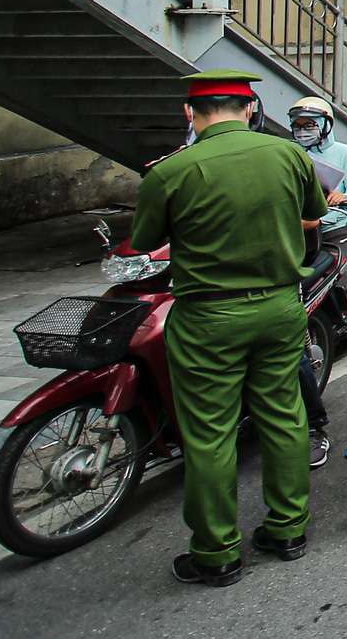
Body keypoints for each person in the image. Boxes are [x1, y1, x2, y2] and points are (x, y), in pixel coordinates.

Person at [136, 70, 323, 586]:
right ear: (249, 109)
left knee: (210, 434)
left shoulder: (171, 171)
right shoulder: (289, 156)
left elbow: (146, 239)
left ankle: (217, 554)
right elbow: (313, 213)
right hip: (281, 306)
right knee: (284, 415)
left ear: (189, 114)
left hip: (208, 317)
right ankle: (288, 530)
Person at [285, 95, 347, 465]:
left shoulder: (345, 153)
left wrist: (340, 196)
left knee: (341, 283)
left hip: (334, 231)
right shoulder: (288, 153)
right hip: (297, 233)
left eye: (310, 125)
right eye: (299, 126)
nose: (303, 132)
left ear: (326, 126)